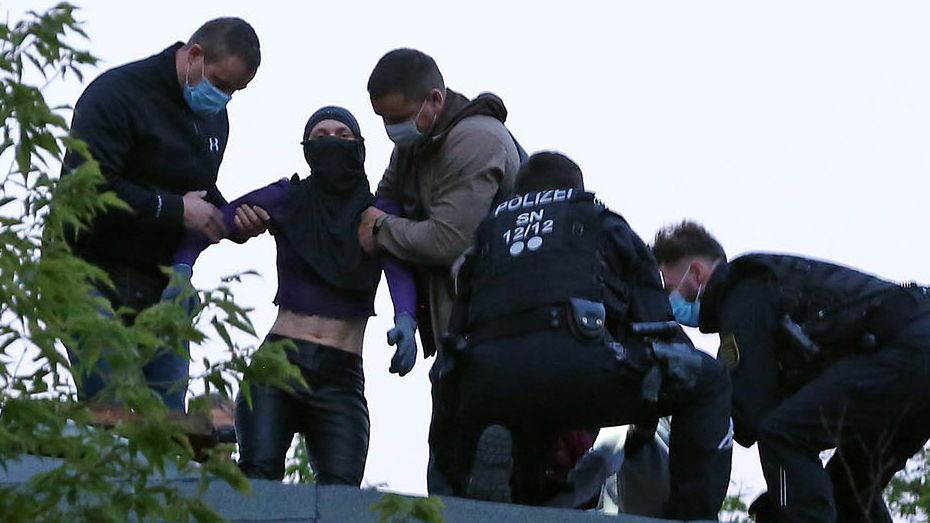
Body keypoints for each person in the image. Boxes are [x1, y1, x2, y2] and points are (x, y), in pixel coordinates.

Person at [448, 152, 733, 519]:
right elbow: (658, 331)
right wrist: (652, 411)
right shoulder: (601, 221)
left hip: (487, 387)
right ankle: (692, 515)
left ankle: (487, 491)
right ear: (576, 189)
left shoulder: (486, 239)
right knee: (708, 380)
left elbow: (452, 342)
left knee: (522, 418)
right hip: (574, 367)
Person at [168, 106, 419, 485]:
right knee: (258, 479)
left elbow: (398, 267)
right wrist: (184, 268)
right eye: (320, 136)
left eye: (342, 135)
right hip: (277, 363)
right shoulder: (287, 196)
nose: (331, 141)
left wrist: (406, 318)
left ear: (360, 147)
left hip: (341, 375)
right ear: (306, 148)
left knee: (340, 494)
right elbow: (215, 221)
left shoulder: (377, 213)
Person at [652, 221, 930, 523]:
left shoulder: (743, 290)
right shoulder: (764, 285)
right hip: (912, 357)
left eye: (667, 287)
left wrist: (689, 402)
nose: (669, 300)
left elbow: (751, 412)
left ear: (696, 272)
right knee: (849, 488)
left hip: (907, 351)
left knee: (782, 436)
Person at [61, 18, 270, 411]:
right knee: (112, 405)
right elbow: (90, 189)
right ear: (194, 55)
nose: (224, 98)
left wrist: (232, 221)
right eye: (221, 84)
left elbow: (199, 191)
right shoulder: (117, 94)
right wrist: (175, 209)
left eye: (235, 91)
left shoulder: (213, 118)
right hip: (86, 270)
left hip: (162, 284)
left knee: (164, 417)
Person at [357, 48, 523, 494]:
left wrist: (384, 228)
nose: (393, 131)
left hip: (496, 337)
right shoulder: (417, 144)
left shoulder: (474, 142)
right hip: (457, 334)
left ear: (434, 100)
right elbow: (384, 197)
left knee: (484, 475)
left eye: (400, 117)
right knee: (446, 472)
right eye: (383, 120)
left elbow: (448, 239)